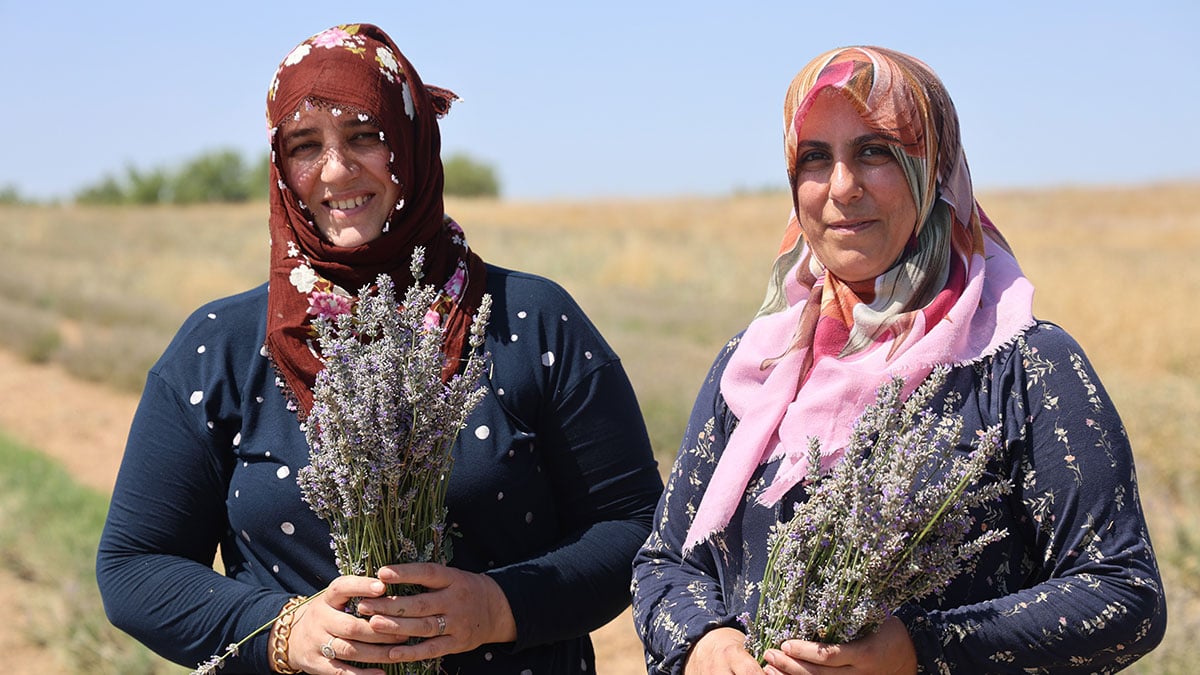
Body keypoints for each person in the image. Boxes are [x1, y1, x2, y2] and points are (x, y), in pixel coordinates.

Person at [96, 23, 663, 675]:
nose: (337, 170)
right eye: (306, 145)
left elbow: (636, 528)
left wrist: (499, 605)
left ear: (413, 140)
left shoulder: (533, 323)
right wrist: (285, 632)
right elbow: (134, 567)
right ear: (281, 168)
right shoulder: (218, 347)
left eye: (365, 134)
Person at [632, 46, 1166, 674]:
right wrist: (707, 646)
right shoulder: (756, 363)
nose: (841, 187)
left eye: (874, 151)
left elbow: (1123, 592)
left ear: (932, 169)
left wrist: (922, 651)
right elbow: (665, 563)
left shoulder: (1023, 365)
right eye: (814, 157)